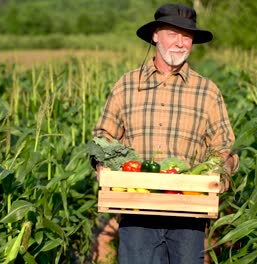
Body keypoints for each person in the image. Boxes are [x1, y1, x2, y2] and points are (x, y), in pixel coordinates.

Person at [91, 3, 239, 263]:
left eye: (187, 36)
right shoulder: (127, 85)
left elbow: (223, 145)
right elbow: (103, 137)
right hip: (136, 211)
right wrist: (103, 164)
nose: (180, 43)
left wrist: (220, 169)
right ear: (156, 35)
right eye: (173, 34)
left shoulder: (207, 91)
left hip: (188, 217)